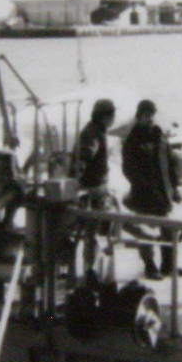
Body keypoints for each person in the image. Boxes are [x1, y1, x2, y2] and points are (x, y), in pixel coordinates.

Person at [122, 99, 182, 279]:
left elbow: (170, 163)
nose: (149, 119)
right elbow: (128, 169)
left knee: (168, 229)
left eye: (151, 115)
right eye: (145, 115)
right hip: (144, 194)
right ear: (139, 116)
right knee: (146, 232)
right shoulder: (132, 140)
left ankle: (169, 266)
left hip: (164, 192)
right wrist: (143, 186)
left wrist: (175, 187)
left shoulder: (159, 135)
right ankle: (150, 265)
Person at [74, 98, 116, 273]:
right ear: (106, 116)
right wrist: (78, 184)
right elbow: (83, 158)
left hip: (97, 187)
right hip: (94, 190)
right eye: (113, 115)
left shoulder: (96, 131)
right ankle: (91, 270)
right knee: (94, 232)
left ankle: (94, 267)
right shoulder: (93, 133)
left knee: (100, 230)